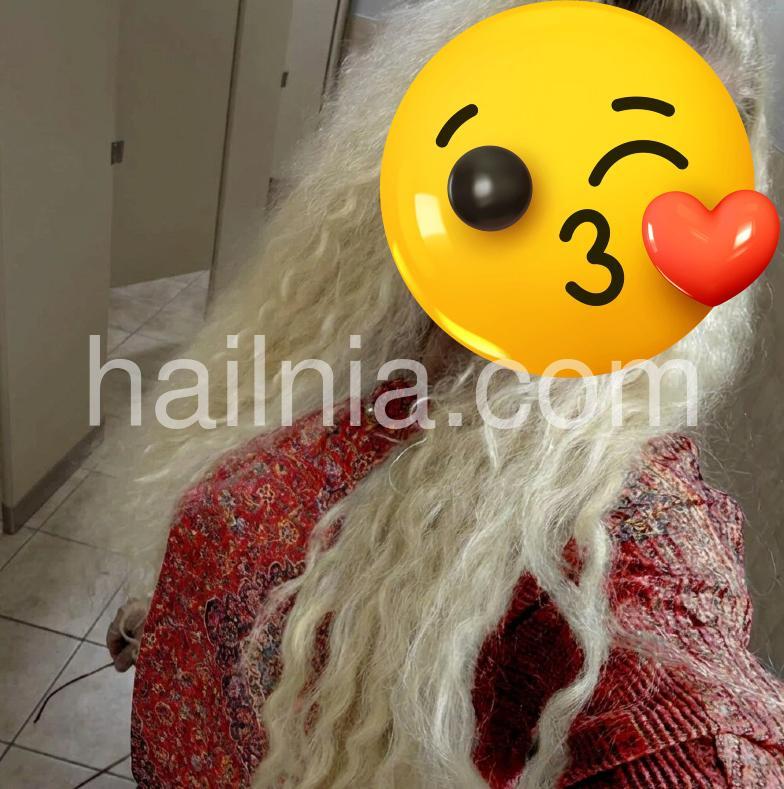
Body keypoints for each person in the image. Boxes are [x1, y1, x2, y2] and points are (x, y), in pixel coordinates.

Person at [108, 0, 784, 786]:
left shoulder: (622, 529)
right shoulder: (353, 319)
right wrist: (171, 597)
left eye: (645, 173)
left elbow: (697, 719)